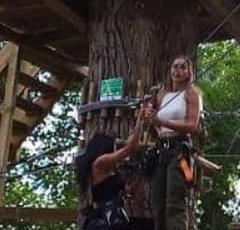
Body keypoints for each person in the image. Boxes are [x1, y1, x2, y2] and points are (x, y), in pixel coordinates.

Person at [143, 56, 202, 230]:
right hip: (162, 149)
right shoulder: (162, 94)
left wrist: (162, 122)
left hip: (180, 151)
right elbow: (155, 122)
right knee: (157, 202)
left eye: (183, 68)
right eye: (175, 67)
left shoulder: (191, 94)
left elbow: (192, 125)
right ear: (170, 70)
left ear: (189, 72)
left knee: (175, 202)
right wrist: (150, 118)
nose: (178, 71)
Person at [75, 116, 145, 229]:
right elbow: (129, 149)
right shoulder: (99, 163)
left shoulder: (108, 169)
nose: (115, 150)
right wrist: (139, 124)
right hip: (104, 218)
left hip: (113, 215)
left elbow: (123, 191)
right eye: (113, 148)